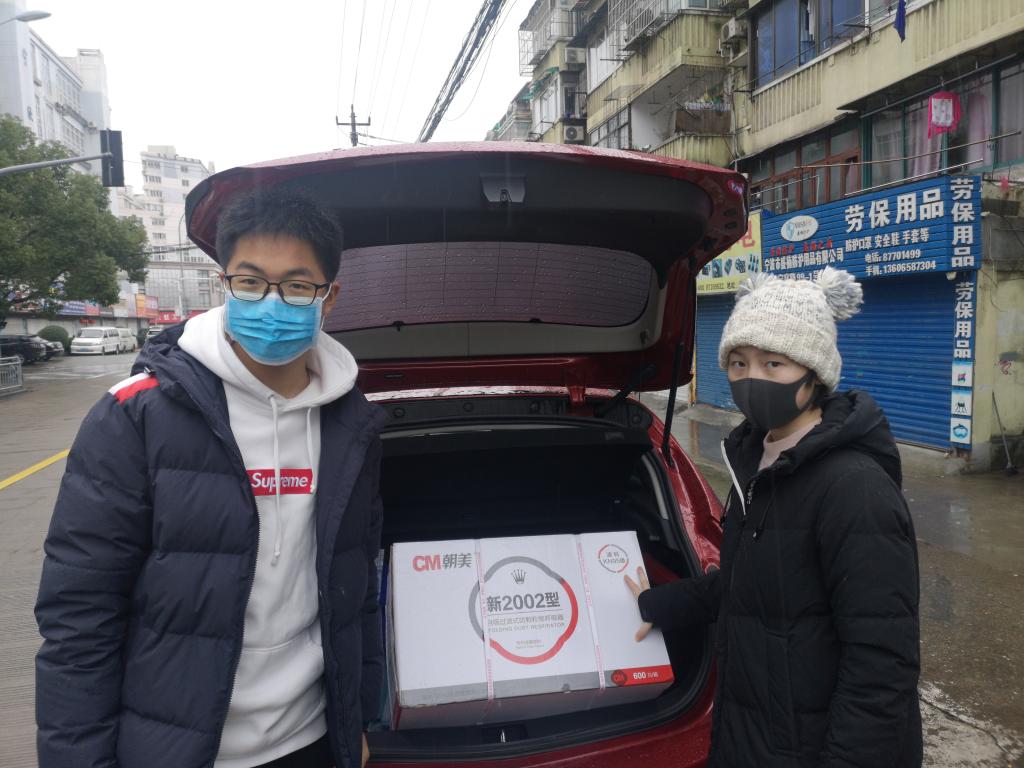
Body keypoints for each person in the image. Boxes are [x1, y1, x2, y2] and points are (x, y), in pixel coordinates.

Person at [35, 189, 384, 768]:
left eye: (298, 286)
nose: (271, 303)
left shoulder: (351, 422)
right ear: (223, 283)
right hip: (177, 748)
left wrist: (359, 720)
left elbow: (358, 591)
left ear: (329, 298)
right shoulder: (136, 415)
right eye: (250, 282)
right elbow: (79, 618)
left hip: (313, 739)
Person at [627, 267, 922, 767]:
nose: (751, 378)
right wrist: (660, 603)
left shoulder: (855, 488)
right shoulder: (757, 461)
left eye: (773, 363)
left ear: (814, 374)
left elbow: (881, 666)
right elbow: (752, 582)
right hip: (753, 738)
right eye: (738, 362)